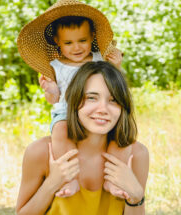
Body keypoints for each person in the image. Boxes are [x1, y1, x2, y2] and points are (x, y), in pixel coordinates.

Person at [17, 0, 130, 198]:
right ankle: (70, 178)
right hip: (67, 111)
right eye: (68, 43)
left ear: (92, 36)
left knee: (120, 136)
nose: (76, 48)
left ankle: (112, 180)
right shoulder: (55, 66)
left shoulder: (98, 59)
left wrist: (116, 66)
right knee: (60, 131)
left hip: (97, 109)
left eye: (82, 41)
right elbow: (53, 100)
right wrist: (51, 89)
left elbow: (111, 84)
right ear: (57, 42)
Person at [16, 61, 149, 215]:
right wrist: (52, 184)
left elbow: (135, 204)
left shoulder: (136, 154)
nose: (103, 109)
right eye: (92, 98)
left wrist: (136, 197)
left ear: (123, 107)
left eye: (113, 100)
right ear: (75, 99)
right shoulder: (41, 152)